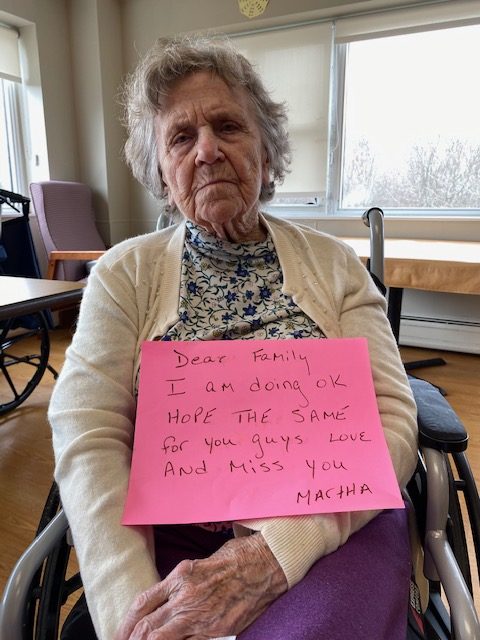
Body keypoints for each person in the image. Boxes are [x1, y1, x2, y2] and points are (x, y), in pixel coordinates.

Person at [49, 35, 418, 640]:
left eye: (228, 127)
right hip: (169, 535)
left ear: (266, 155)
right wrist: (133, 614)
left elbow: (393, 420)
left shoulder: (334, 265)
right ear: (162, 174)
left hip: (333, 525)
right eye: (181, 137)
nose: (208, 151)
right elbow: (89, 434)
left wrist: (277, 551)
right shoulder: (124, 273)